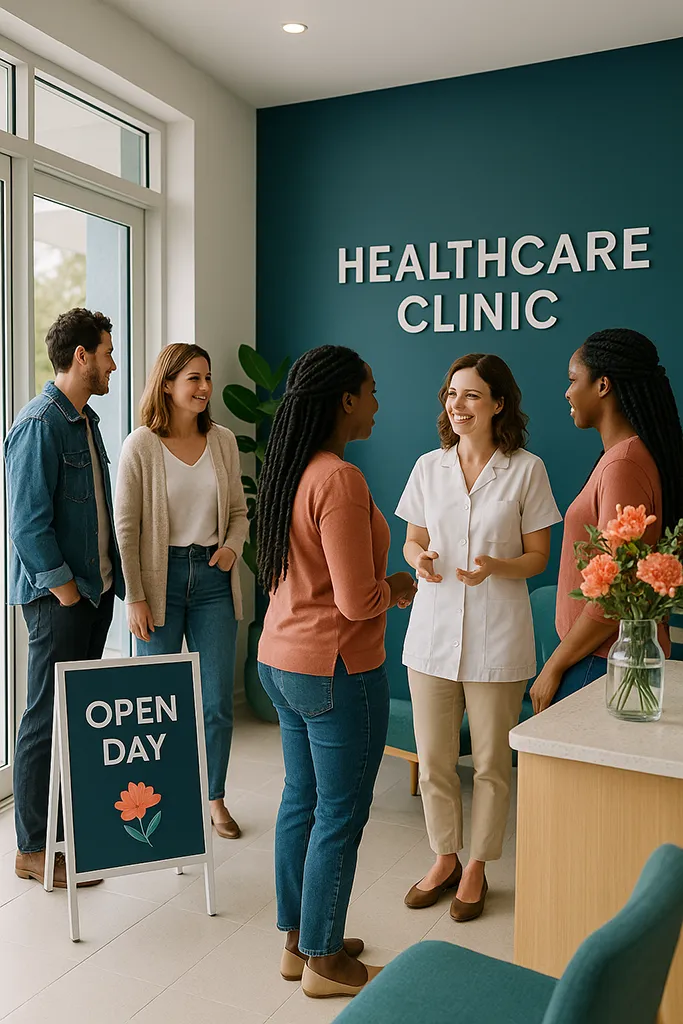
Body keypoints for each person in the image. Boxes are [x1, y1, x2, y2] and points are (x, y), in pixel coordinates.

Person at [256, 345, 416, 999]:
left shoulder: (291, 468)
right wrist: (396, 587)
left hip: (281, 658)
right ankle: (324, 961)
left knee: (302, 800)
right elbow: (356, 600)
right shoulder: (340, 479)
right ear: (346, 399)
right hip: (335, 669)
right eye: (370, 390)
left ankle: (299, 941)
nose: (377, 403)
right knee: (340, 813)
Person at [396, 353, 561, 922]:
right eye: (452, 394)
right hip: (432, 636)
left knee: (491, 763)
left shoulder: (526, 470)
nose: (458, 405)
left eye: (471, 395)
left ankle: (477, 868)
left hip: (498, 637)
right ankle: (445, 857)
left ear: (498, 404)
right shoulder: (428, 466)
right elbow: (411, 540)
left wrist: (496, 567)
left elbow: (538, 557)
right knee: (435, 760)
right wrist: (419, 559)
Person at [5, 308, 123, 887]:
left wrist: (102, 587)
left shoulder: (86, 421)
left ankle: (61, 837)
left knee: (72, 718)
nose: (112, 364)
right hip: (61, 600)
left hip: (93, 594)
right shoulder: (39, 424)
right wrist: (69, 594)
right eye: (106, 352)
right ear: (81, 356)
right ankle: (32, 849)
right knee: (44, 718)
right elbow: (27, 526)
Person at [115, 344, 248, 838]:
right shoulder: (141, 445)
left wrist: (232, 548)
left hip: (213, 579)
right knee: (157, 704)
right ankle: (160, 802)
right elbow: (126, 528)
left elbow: (238, 512)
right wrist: (135, 596)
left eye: (207, 377)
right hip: (159, 582)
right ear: (167, 384)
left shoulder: (223, 441)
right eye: (194, 378)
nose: (205, 387)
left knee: (215, 702)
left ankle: (214, 798)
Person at [530, 328, 683, 712]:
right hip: (600, 658)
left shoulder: (624, 464)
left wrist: (554, 666)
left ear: (602, 385)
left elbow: (615, 592)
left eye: (573, 380)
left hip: (598, 662)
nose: (567, 393)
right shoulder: (623, 457)